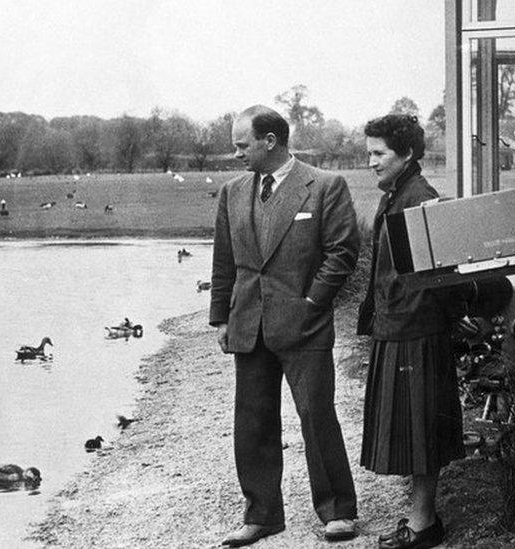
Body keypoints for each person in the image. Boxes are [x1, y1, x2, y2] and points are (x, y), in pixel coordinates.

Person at [210, 104, 361, 546]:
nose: (236, 154)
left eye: (242, 145)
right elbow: (225, 262)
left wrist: (311, 302)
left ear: (269, 141)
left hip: (305, 326)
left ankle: (338, 511)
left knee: (316, 417)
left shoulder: (325, 186)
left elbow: (342, 254)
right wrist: (221, 316)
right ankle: (262, 515)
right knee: (252, 422)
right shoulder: (232, 192)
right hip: (248, 325)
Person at [357, 114, 464, 549]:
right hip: (399, 326)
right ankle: (421, 519)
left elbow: (437, 276)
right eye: (368, 153)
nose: (370, 162)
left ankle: (424, 525)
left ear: (406, 154)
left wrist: (409, 322)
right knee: (412, 431)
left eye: (378, 153)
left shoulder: (419, 199)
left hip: (415, 332)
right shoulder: (398, 194)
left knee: (420, 433)